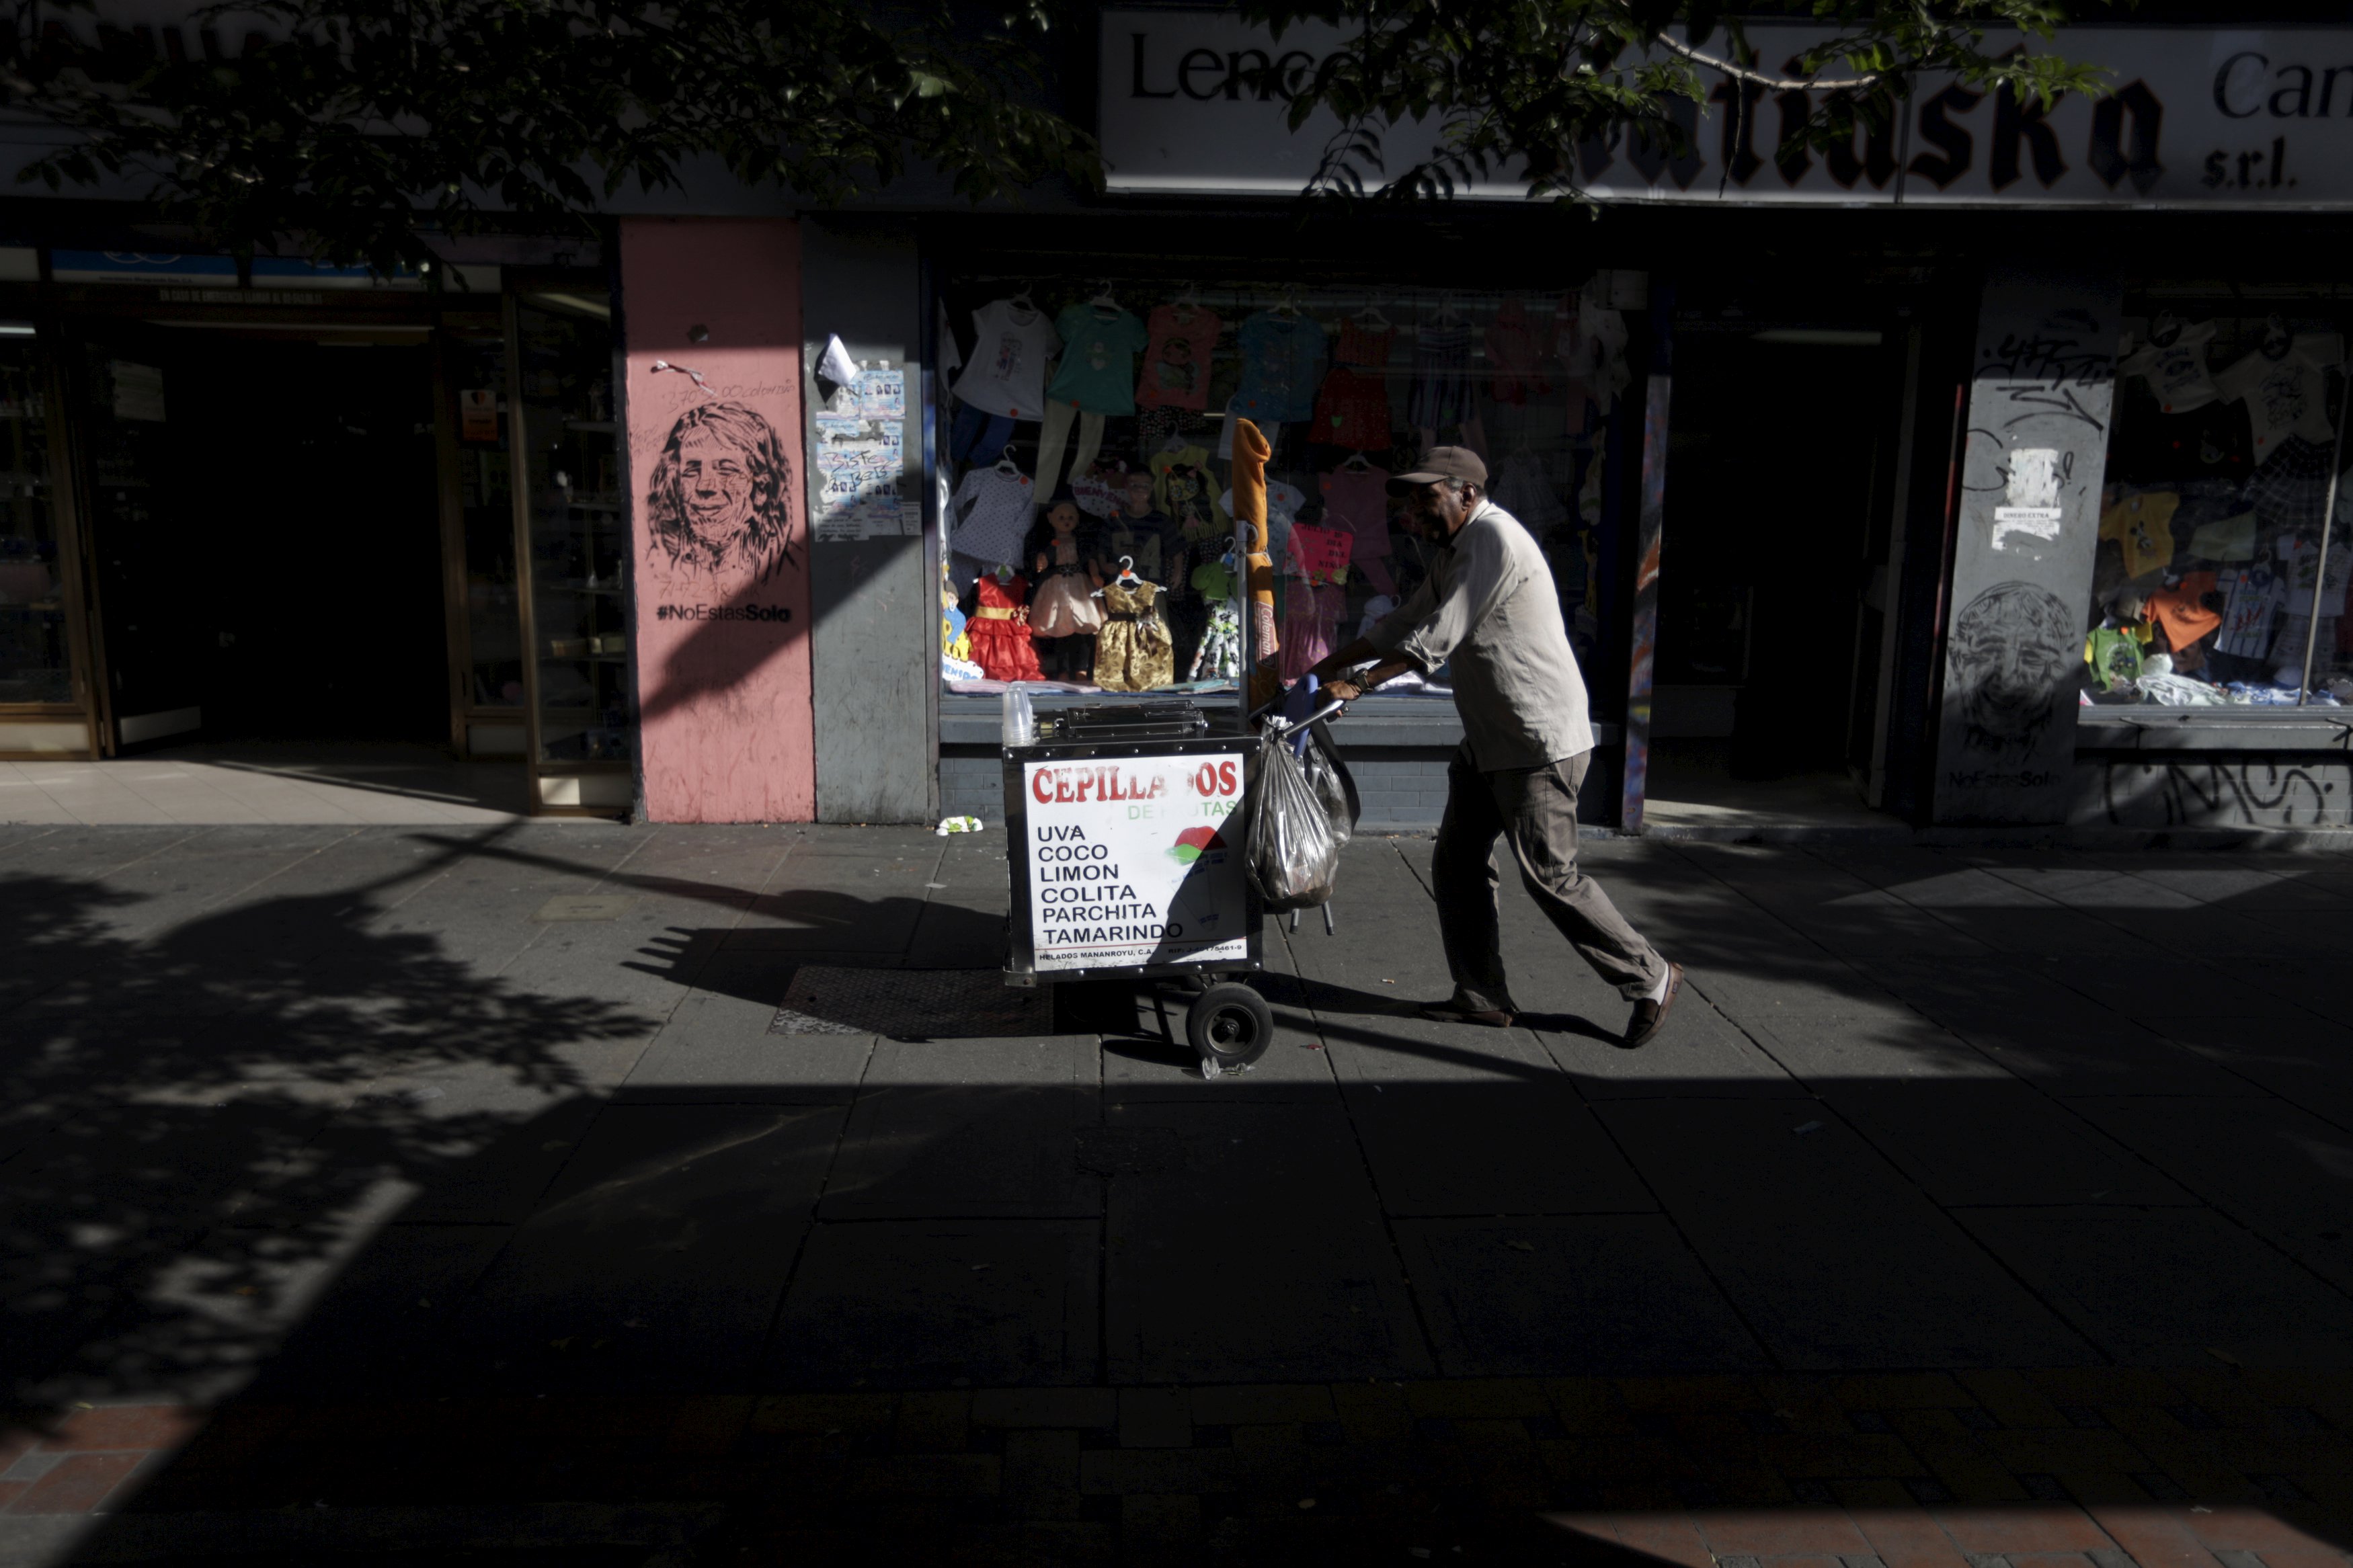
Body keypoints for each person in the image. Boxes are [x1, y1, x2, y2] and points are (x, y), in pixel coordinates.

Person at [1307, 447, 1682, 1046]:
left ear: (1467, 494)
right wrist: (1321, 667)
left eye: (1426, 498)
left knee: (1552, 877)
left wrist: (1358, 682)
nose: (1414, 512)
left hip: (1536, 740)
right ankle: (1481, 996)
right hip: (1491, 738)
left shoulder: (1492, 542)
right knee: (1457, 862)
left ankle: (1651, 976)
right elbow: (1401, 621)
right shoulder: (1457, 549)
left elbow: (1434, 638)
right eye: (1410, 500)